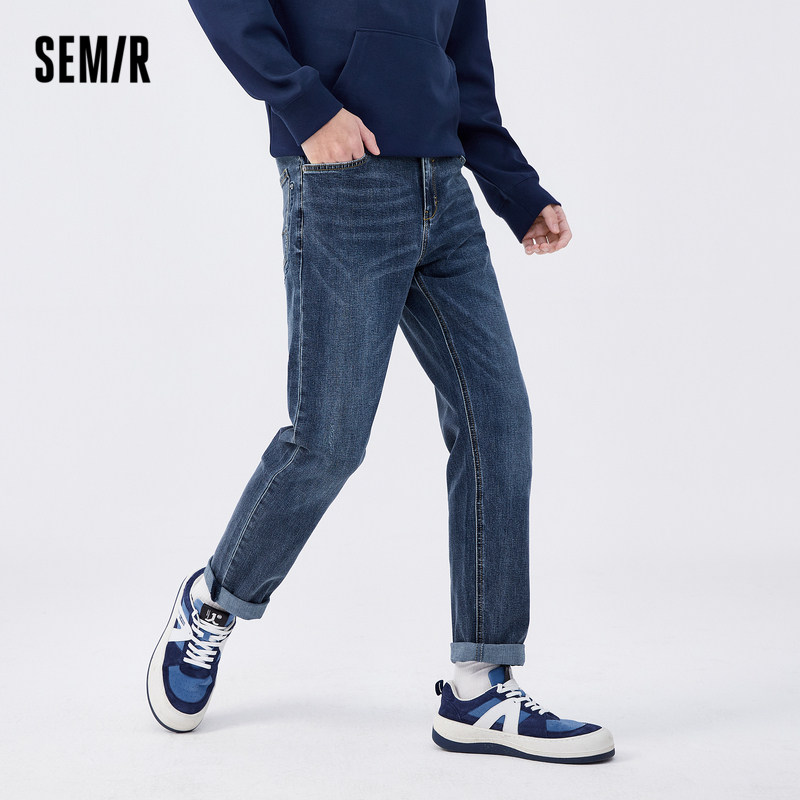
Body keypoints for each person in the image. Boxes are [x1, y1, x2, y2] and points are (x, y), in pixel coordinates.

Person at [146, 0, 615, 764]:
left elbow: (465, 63)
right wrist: (305, 107)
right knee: (328, 441)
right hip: (344, 179)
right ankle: (213, 601)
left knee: (498, 421)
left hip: (445, 189)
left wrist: (517, 189)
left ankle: (480, 688)